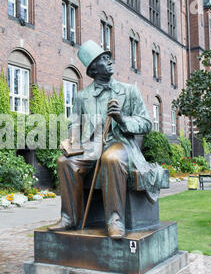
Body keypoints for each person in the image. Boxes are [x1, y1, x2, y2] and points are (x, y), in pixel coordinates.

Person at [48, 40, 167, 239]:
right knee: (64, 162)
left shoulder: (129, 91)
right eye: (104, 59)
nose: (110, 61)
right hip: (90, 147)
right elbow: (74, 125)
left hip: (121, 144)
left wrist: (122, 119)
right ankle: (70, 219)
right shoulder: (82, 96)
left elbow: (146, 123)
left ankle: (115, 220)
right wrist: (72, 142)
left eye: (108, 57)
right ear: (93, 69)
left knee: (111, 158)